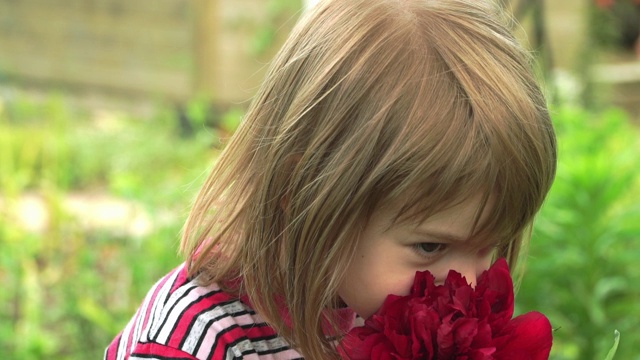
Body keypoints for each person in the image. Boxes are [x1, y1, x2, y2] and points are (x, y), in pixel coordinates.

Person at [105, 0, 557, 359]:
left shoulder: (375, 301)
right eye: (430, 247)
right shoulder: (197, 340)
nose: (471, 286)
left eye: (492, 244)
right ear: (301, 190)